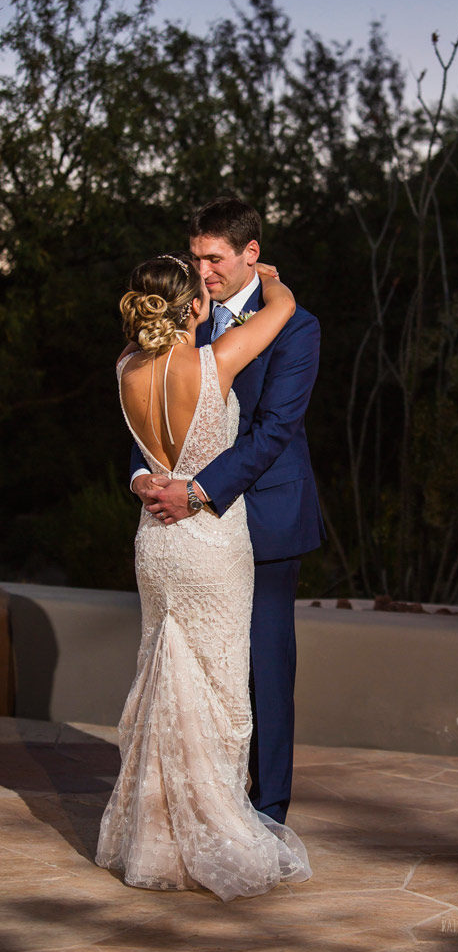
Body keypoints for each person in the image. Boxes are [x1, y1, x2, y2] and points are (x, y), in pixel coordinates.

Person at [96, 252, 311, 899]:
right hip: (212, 542)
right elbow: (285, 309)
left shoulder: (124, 367)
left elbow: (139, 449)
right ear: (193, 308)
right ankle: (214, 836)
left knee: (161, 681)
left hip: (154, 544)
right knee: (220, 695)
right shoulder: (217, 362)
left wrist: (145, 479)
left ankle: (157, 837)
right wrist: (268, 276)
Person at [130, 197, 325, 827]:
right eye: (195, 257)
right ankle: (193, 805)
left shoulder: (295, 328)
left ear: (251, 255)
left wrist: (197, 490)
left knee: (262, 671)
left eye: (214, 258)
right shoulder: (181, 315)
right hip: (179, 529)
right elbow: (138, 408)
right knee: (186, 667)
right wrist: (142, 476)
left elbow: (272, 432)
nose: (202, 270)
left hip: (262, 515)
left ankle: (265, 814)